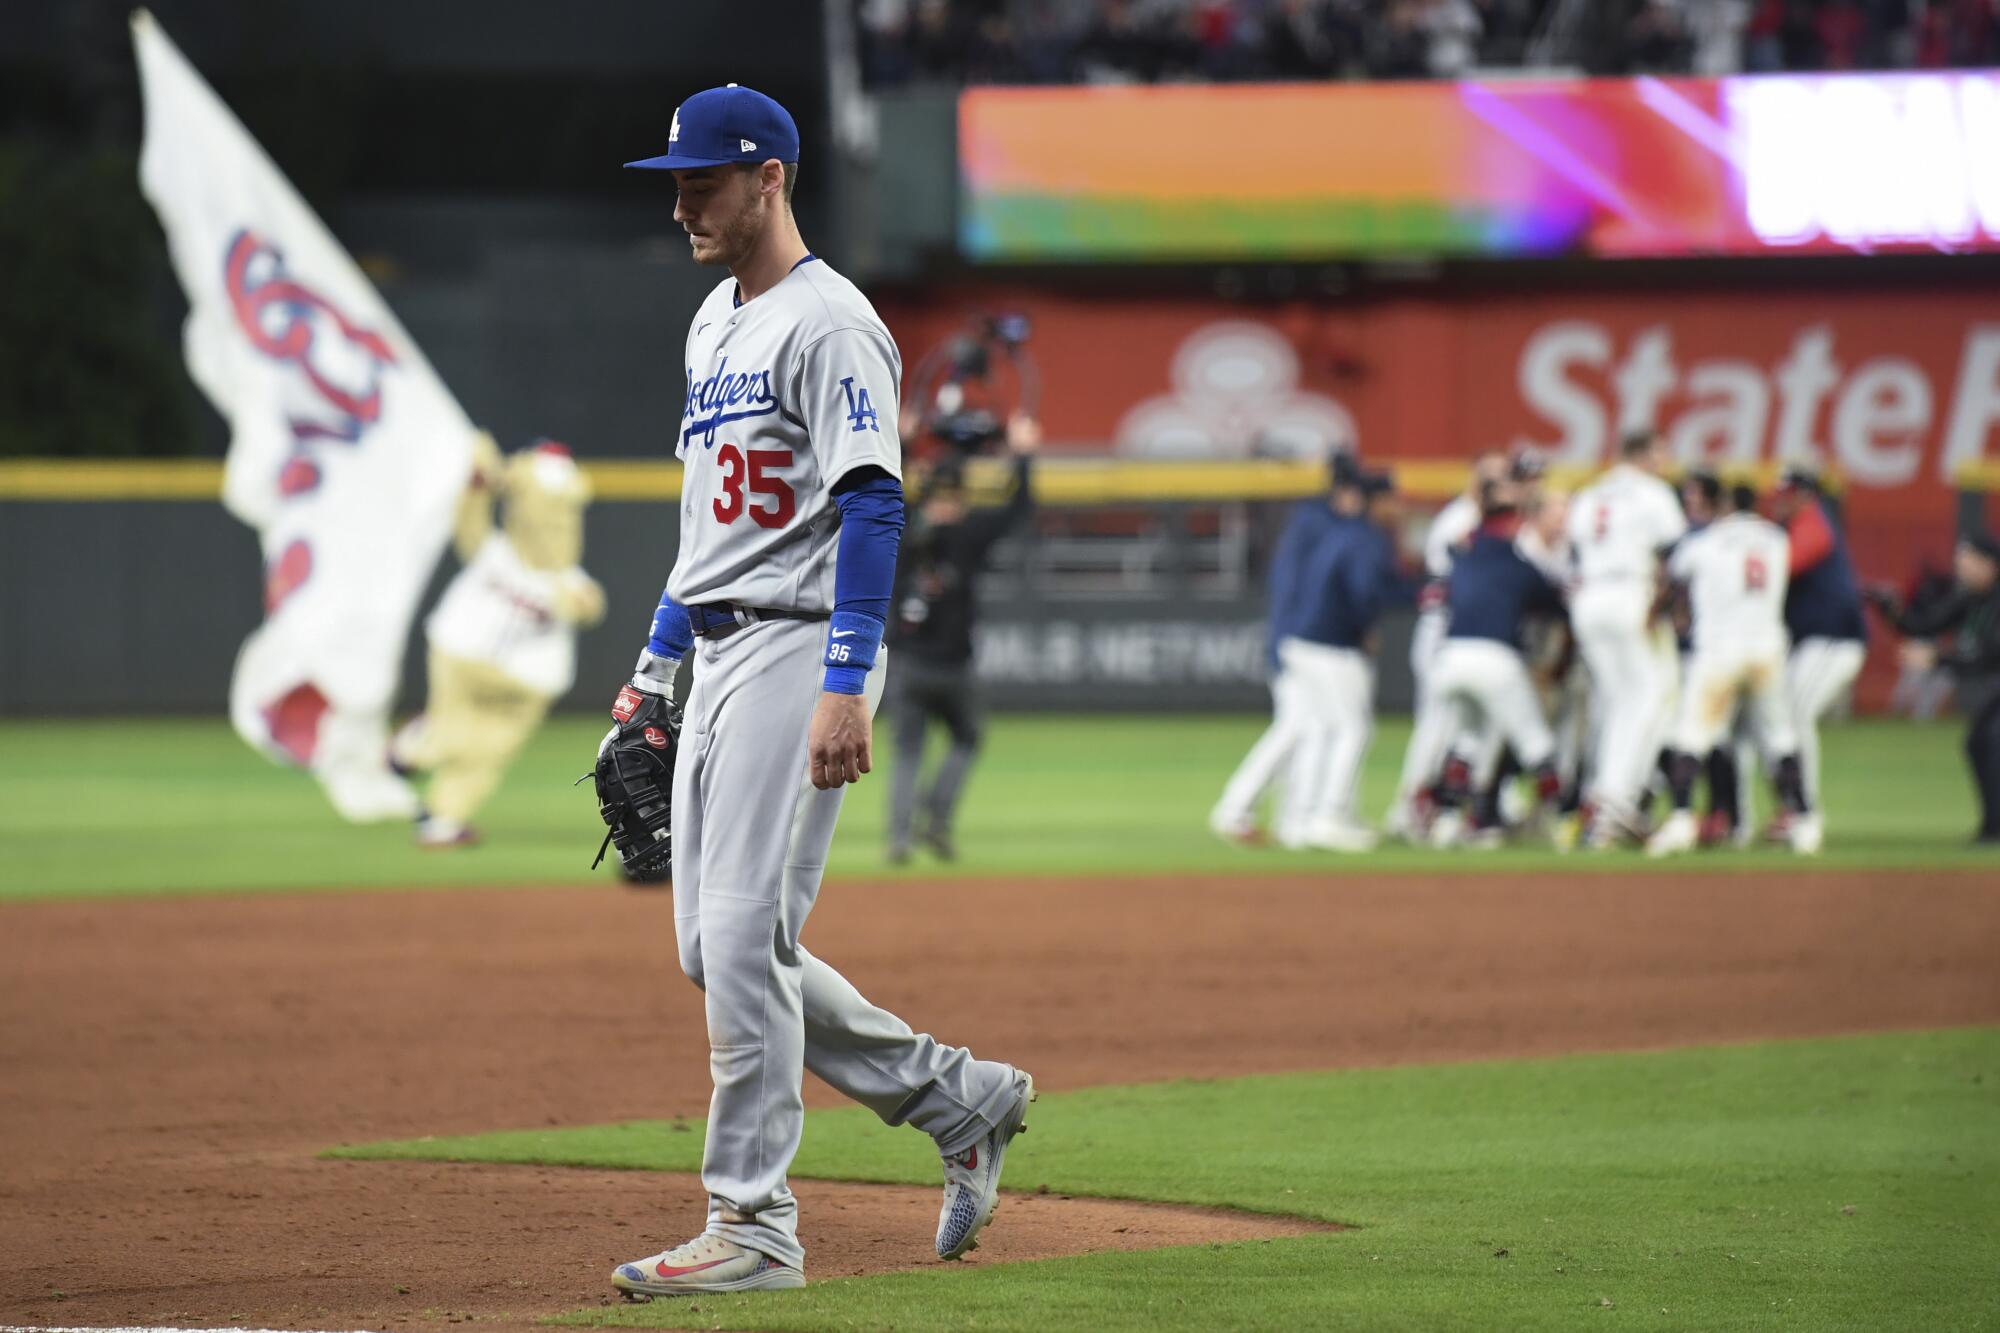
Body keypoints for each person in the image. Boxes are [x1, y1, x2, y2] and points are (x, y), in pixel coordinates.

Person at [603, 85, 1035, 1300]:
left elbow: (872, 502)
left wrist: (845, 679)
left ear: (771, 178)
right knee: (716, 943)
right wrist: (649, 674)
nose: (682, 198)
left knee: (740, 934)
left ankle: (751, 1224)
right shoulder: (709, 321)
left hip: (802, 644)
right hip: (724, 642)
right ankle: (958, 1096)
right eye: (675, 179)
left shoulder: (831, 322)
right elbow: (705, 533)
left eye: (703, 178)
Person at [1212, 457, 1400, 851]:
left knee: (1307, 727)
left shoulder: (1321, 523)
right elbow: (1294, 588)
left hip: (1301, 636)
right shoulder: (1320, 525)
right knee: (1304, 727)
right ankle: (1258, 813)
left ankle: (1293, 819)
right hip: (1306, 639)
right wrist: (1287, 640)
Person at [886, 417, 1040, 863]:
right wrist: (1024, 455)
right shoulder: (971, 533)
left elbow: (884, 490)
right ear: (960, 496)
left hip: (908, 664)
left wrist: (900, 442)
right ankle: (936, 821)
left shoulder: (902, 527)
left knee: (908, 753)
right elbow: (1019, 507)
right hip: (954, 666)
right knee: (966, 738)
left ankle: (899, 838)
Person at [1646, 484, 1820, 857]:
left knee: (1691, 736)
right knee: (1781, 738)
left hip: (1718, 651)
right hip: (1766, 649)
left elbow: (1673, 574)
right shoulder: (1776, 539)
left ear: (1725, 506)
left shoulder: (1708, 541)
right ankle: (1806, 821)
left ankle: (1680, 820)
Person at [1415, 479, 1568, 848]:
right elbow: (1555, 607)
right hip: (1495, 659)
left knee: (1466, 740)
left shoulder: (1462, 557)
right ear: (1515, 522)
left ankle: (1448, 821)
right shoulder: (1519, 564)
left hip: (1449, 658)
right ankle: (1564, 823)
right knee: (1535, 743)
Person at [1566, 432, 1689, 847]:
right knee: (1650, 697)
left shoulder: (1589, 493)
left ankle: (1601, 800)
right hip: (1629, 594)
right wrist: (1667, 605)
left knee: (1617, 701)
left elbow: (1574, 554)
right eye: (1661, 451)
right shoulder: (1653, 493)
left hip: (1589, 598)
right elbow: (1676, 554)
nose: (1666, 459)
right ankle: (1614, 802)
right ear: (1644, 454)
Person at [1386, 448, 1508, 839]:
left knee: (1467, 730)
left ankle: (1460, 806)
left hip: (1464, 636)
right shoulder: (1459, 521)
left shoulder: (1486, 522)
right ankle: (1407, 808)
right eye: (1491, 477)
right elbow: (1447, 587)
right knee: (1437, 726)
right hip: (1443, 633)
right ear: (1474, 479)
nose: (1498, 484)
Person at [1871, 531, 2000, 845]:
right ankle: (1992, 828)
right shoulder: (1970, 597)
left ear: (1990, 565)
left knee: (1994, 740)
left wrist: (1938, 657)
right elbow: (1925, 625)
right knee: (1978, 742)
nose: (1961, 566)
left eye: (1967, 559)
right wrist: (1891, 610)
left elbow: (1992, 650)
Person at [1769, 467, 1868, 820]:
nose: (1781, 499)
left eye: (1789, 493)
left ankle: (1804, 809)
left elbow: (1782, 566)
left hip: (1833, 641)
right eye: (1780, 492)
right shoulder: (1791, 526)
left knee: (1796, 713)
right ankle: (1791, 806)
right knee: (1781, 716)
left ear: (1806, 496)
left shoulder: (1812, 523)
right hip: (1811, 643)